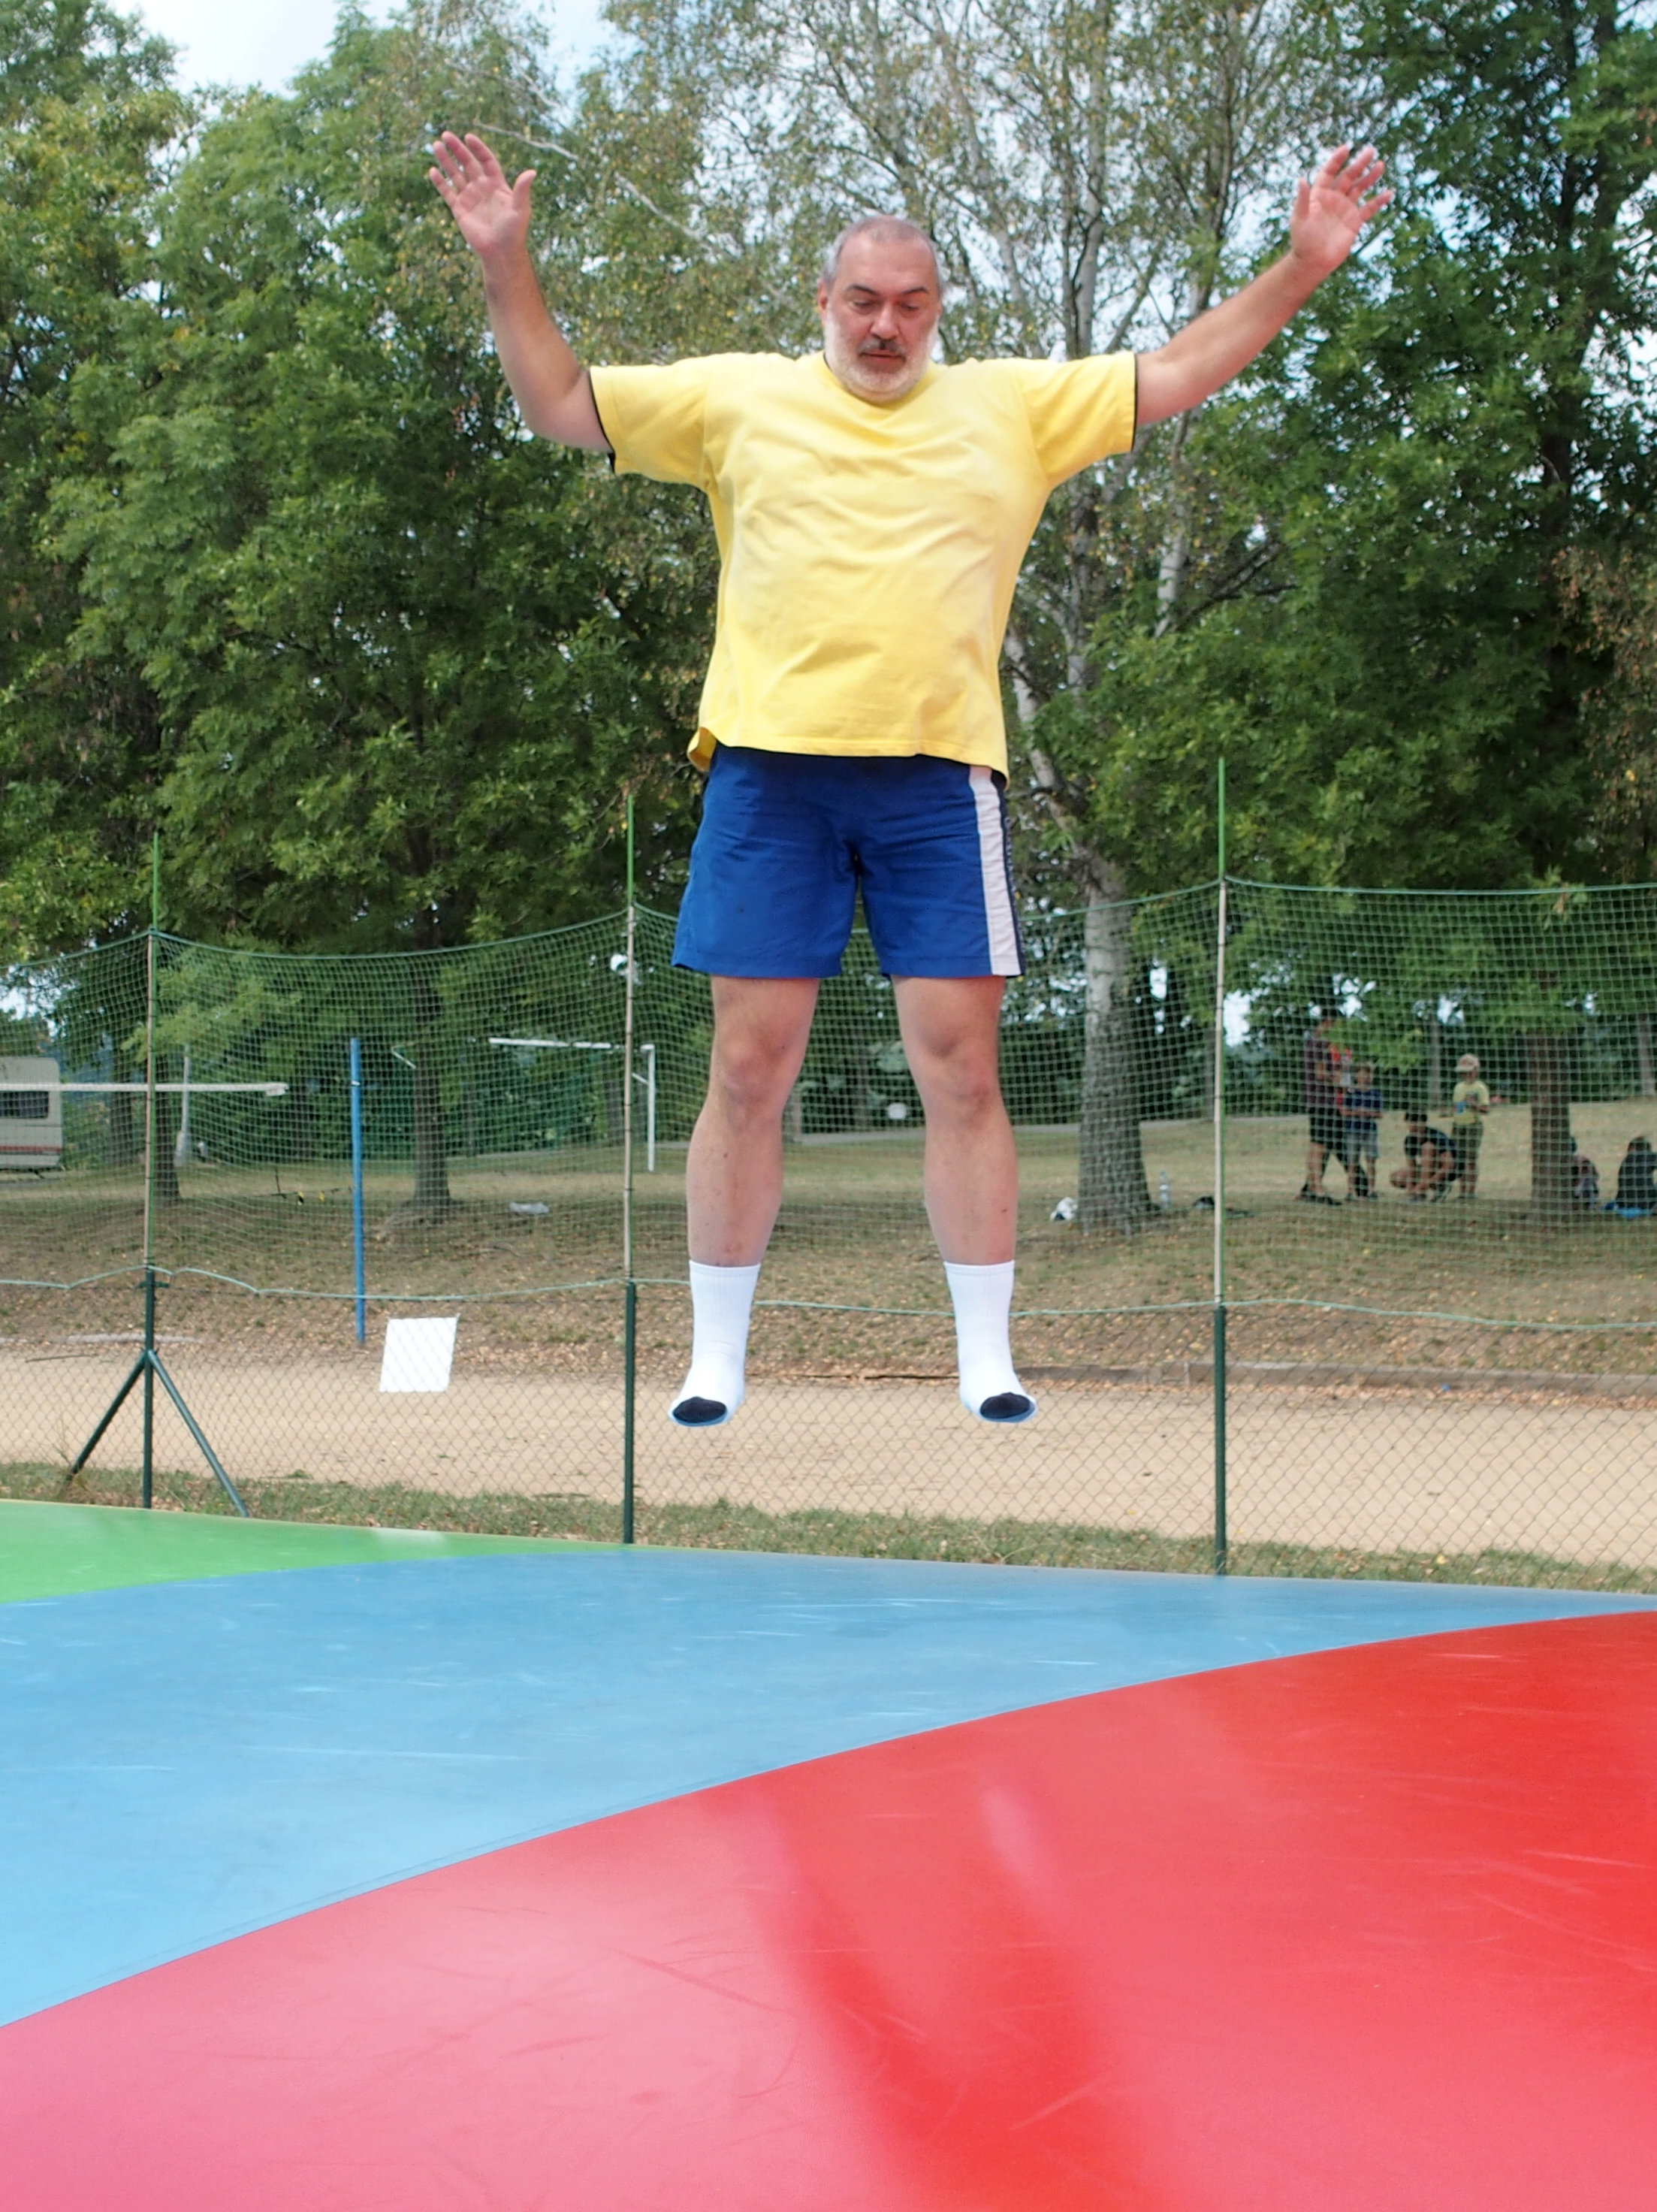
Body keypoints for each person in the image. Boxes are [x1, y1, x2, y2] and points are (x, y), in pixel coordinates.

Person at [429, 131, 1390, 1428]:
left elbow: (1174, 370)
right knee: (747, 1069)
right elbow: (558, 403)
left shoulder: (1010, 406)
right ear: (822, 302)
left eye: (911, 303)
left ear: (938, 311)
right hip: (771, 776)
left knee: (961, 1069)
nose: (885, 325)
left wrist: (1303, 265)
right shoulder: (735, 398)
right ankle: (714, 1359)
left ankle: (986, 1357)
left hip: (938, 785)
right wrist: (504, 260)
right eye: (863, 301)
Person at [1299, 1011, 1348, 1204]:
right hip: (1323, 1101)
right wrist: (1338, 1082)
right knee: (1320, 1145)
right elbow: (1321, 1074)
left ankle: (1310, 1185)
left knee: (1315, 1144)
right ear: (1328, 1022)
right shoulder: (1320, 1044)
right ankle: (1317, 1188)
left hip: (1315, 1101)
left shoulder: (1311, 1042)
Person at [1448, 1052, 1492, 1198]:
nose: (1465, 1076)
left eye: (1468, 1072)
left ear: (1475, 1071)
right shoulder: (1458, 1087)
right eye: (1462, 1073)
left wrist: (1474, 1106)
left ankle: (1471, 1191)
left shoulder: (1480, 1087)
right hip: (1458, 1125)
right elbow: (1457, 1107)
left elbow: (1486, 1109)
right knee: (1459, 1158)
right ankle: (1462, 1191)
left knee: (1471, 1159)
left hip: (1473, 1126)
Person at [1391, 1110, 1459, 1199]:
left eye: (1416, 1122)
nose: (1413, 1125)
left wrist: (1424, 1185)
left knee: (1427, 1148)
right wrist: (1410, 1187)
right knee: (1397, 1178)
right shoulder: (1410, 1140)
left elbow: (1449, 1166)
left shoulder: (1437, 1137)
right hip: (1429, 1168)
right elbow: (1412, 1166)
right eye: (1410, 1122)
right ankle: (1424, 1192)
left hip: (1450, 1170)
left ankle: (1435, 1187)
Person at [1341, 1060, 1383, 1201]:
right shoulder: (1351, 1093)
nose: (1367, 1077)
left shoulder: (1375, 1094)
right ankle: (1351, 1191)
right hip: (1352, 1131)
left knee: (1371, 1160)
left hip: (1369, 1131)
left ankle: (1372, 1190)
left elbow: (1380, 1114)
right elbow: (1344, 1111)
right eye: (1364, 1074)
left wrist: (1369, 1113)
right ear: (1357, 1076)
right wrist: (1356, 1112)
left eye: (1370, 1074)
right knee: (1352, 1161)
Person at [1613, 1135, 1657, 1213]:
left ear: (1632, 1148)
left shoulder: (1626, 1161)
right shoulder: (1650, 1157)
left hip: (1625, 1203)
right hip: (1648, 1203)